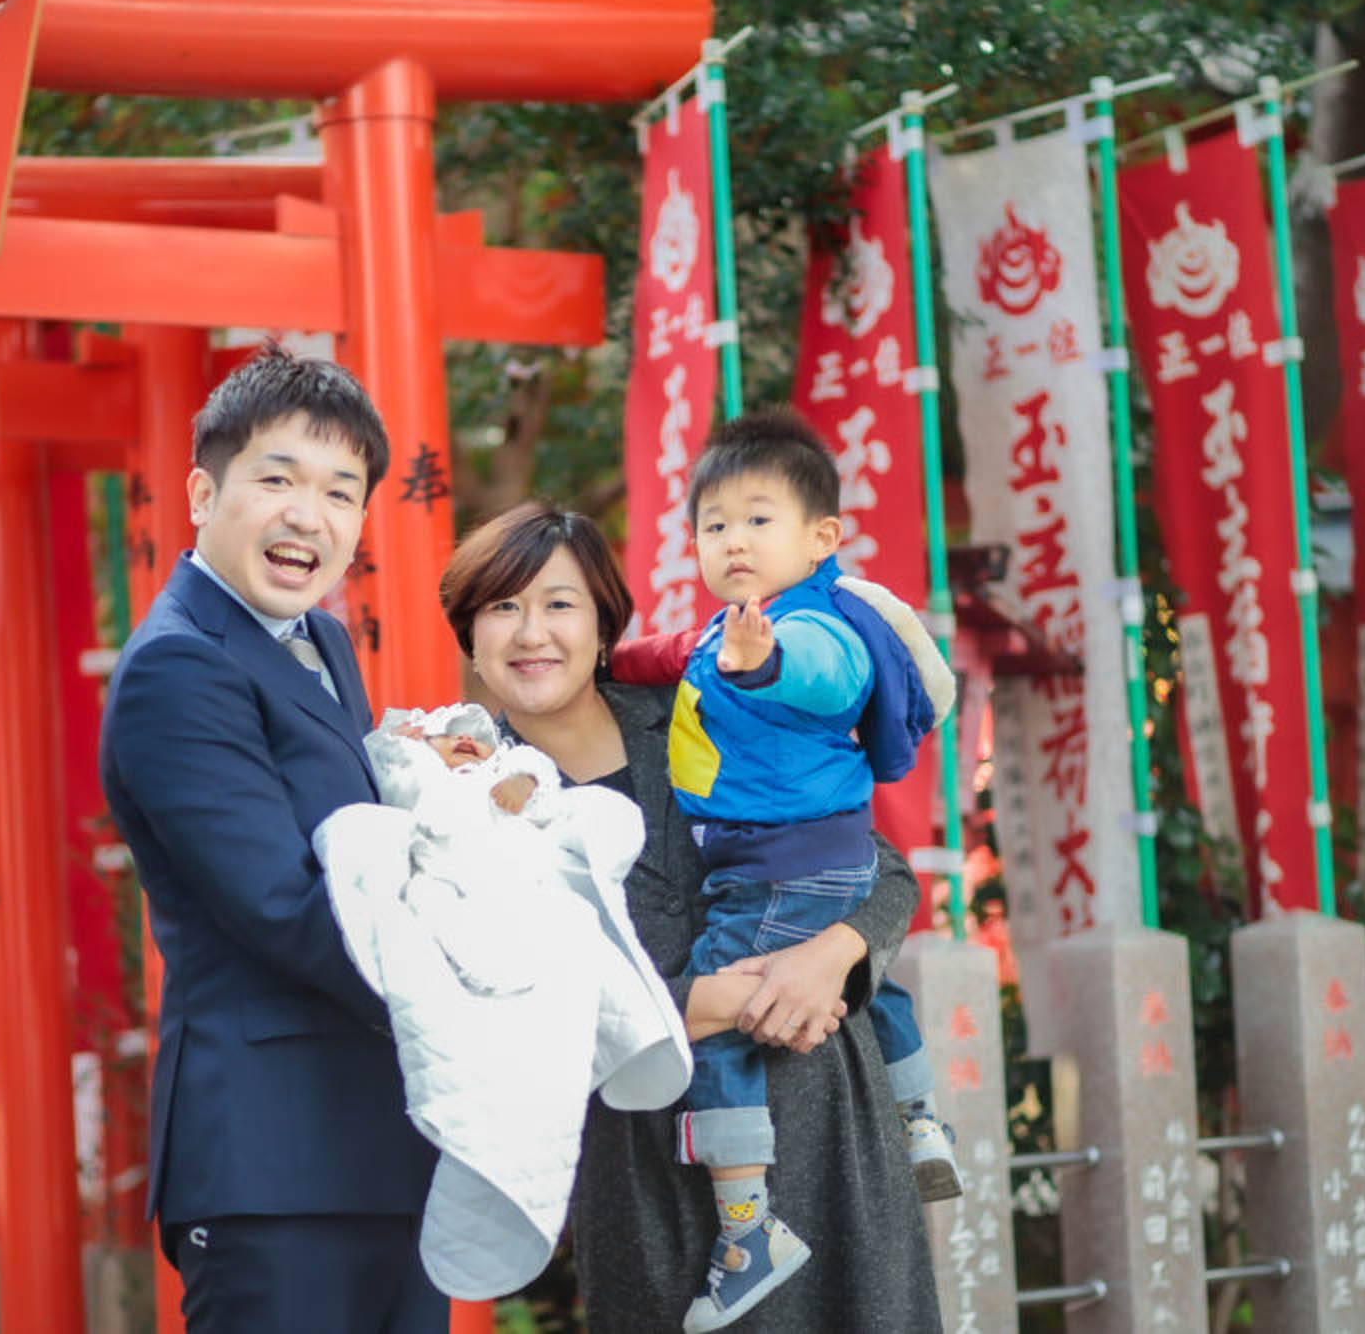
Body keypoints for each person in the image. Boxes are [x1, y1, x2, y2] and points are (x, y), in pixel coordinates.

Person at [439, 502, 942, 1333]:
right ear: (470, 633)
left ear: (605, 623)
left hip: (826, 1112)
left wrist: (839, 955)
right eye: (503, 606)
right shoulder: (463, 799)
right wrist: (697, 1008)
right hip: (649, 1160)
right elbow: (496, 1013)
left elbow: (879, 868)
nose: (533, 632)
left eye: (560, 604)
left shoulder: (703, 705)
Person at [99, 345, 443, 1334]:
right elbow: (283, 905)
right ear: (204, 492)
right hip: (272, 1162)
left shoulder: (320, 641)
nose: (310, 515)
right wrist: (479, 977)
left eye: (341, 491)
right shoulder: (179, 667)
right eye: (278, 479)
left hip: (379, 1141)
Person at [652, 409, 956, 1330]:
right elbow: (676, 656)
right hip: (829, 860)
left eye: (756, 519)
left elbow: (827, 677)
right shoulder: (728, 632)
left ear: (821, 537)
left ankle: (748, 1229)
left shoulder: (811, 625)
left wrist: (767, 662)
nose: (732, 541)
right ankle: (920, 1116)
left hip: (779, 869)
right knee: (880, 984)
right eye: (714, 525)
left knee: (724, 1018)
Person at [312, 704, 690, 1300]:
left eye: (472, 740)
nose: (462, 745)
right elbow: (407, 791)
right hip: (460, 883)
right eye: (445, 739)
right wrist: (410, 749)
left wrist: (522, 781)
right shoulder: (423, 781)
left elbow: (546, 793)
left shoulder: (517, 767)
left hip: (526, 882)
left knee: (568, 931)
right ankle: (488, 1160)